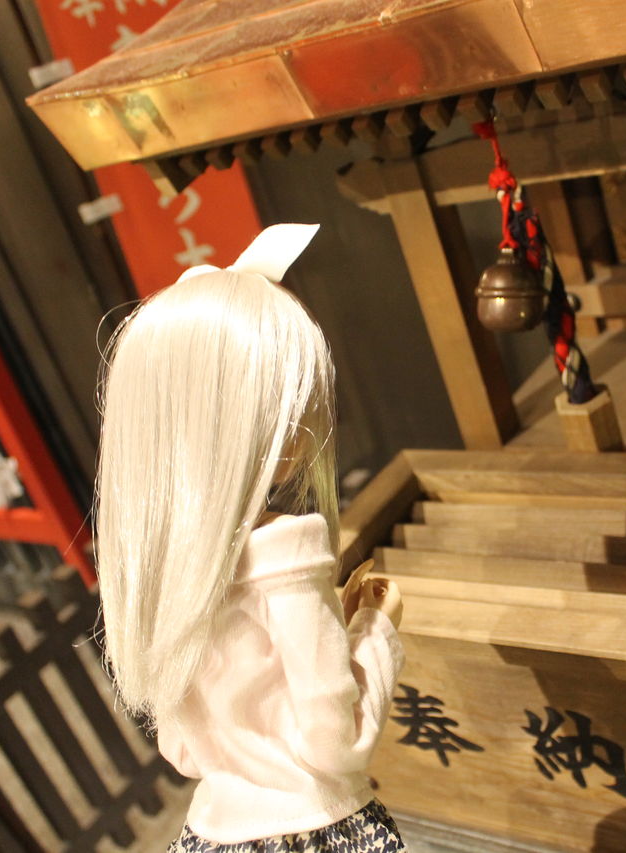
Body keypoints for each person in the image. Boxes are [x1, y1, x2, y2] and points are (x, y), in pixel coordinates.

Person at [94, 224, 406, 852]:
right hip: (319, 830)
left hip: (210, 833)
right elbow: (337, 743)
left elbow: (183, 750)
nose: (307, 423)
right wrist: (375, 629)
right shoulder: (286, 553)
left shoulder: (161, 570)